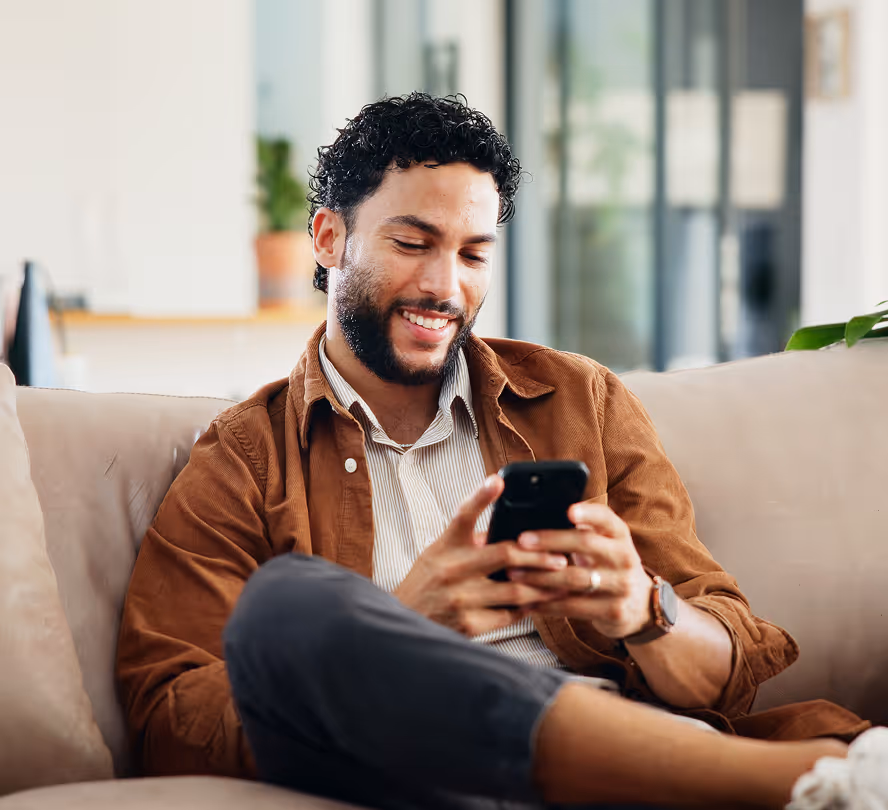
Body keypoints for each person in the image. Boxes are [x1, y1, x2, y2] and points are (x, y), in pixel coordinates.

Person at [116, 93, 867, 809]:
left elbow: (724, 668)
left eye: (474, 254)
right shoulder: (246, 458)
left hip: (631, 768)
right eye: (413, 243)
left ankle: (777, 776)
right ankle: (803, 780)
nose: (444, 286)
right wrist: (401, 630)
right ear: (327, 238)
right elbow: (170, 717)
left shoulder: (581, 401)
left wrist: (644, 609)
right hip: (412, 774)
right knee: (286, 607)